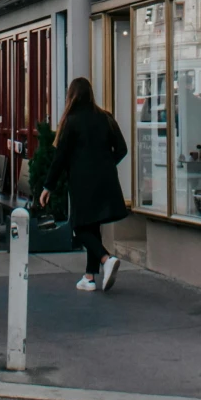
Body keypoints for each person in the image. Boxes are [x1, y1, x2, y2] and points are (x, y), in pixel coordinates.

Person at [40, 77, 130, 292]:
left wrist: (48, 187)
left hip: (82, 183)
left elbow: (60, 158)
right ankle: (89, 278)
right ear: (91, 94)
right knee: (92, 226)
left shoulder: (71, 121)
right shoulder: (105, 117)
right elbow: (122, 149)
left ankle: (105, 259)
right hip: (106, 181)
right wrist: (107, 165)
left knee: (78, 227)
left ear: (72, 96)